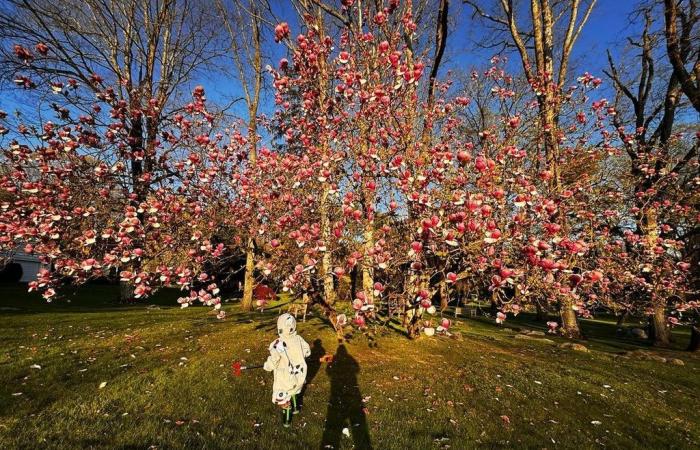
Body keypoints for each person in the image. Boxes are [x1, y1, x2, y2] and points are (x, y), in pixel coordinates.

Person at [263, 313, 311, 427]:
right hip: (299, 374)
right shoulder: (299, 339)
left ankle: (287, 417)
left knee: (283, 396)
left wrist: (267, 366)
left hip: (284, 377)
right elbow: (307, 351)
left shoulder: (277, 344)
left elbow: (273, 360)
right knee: (294, 389)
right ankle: (295, 407)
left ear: (279, 327)